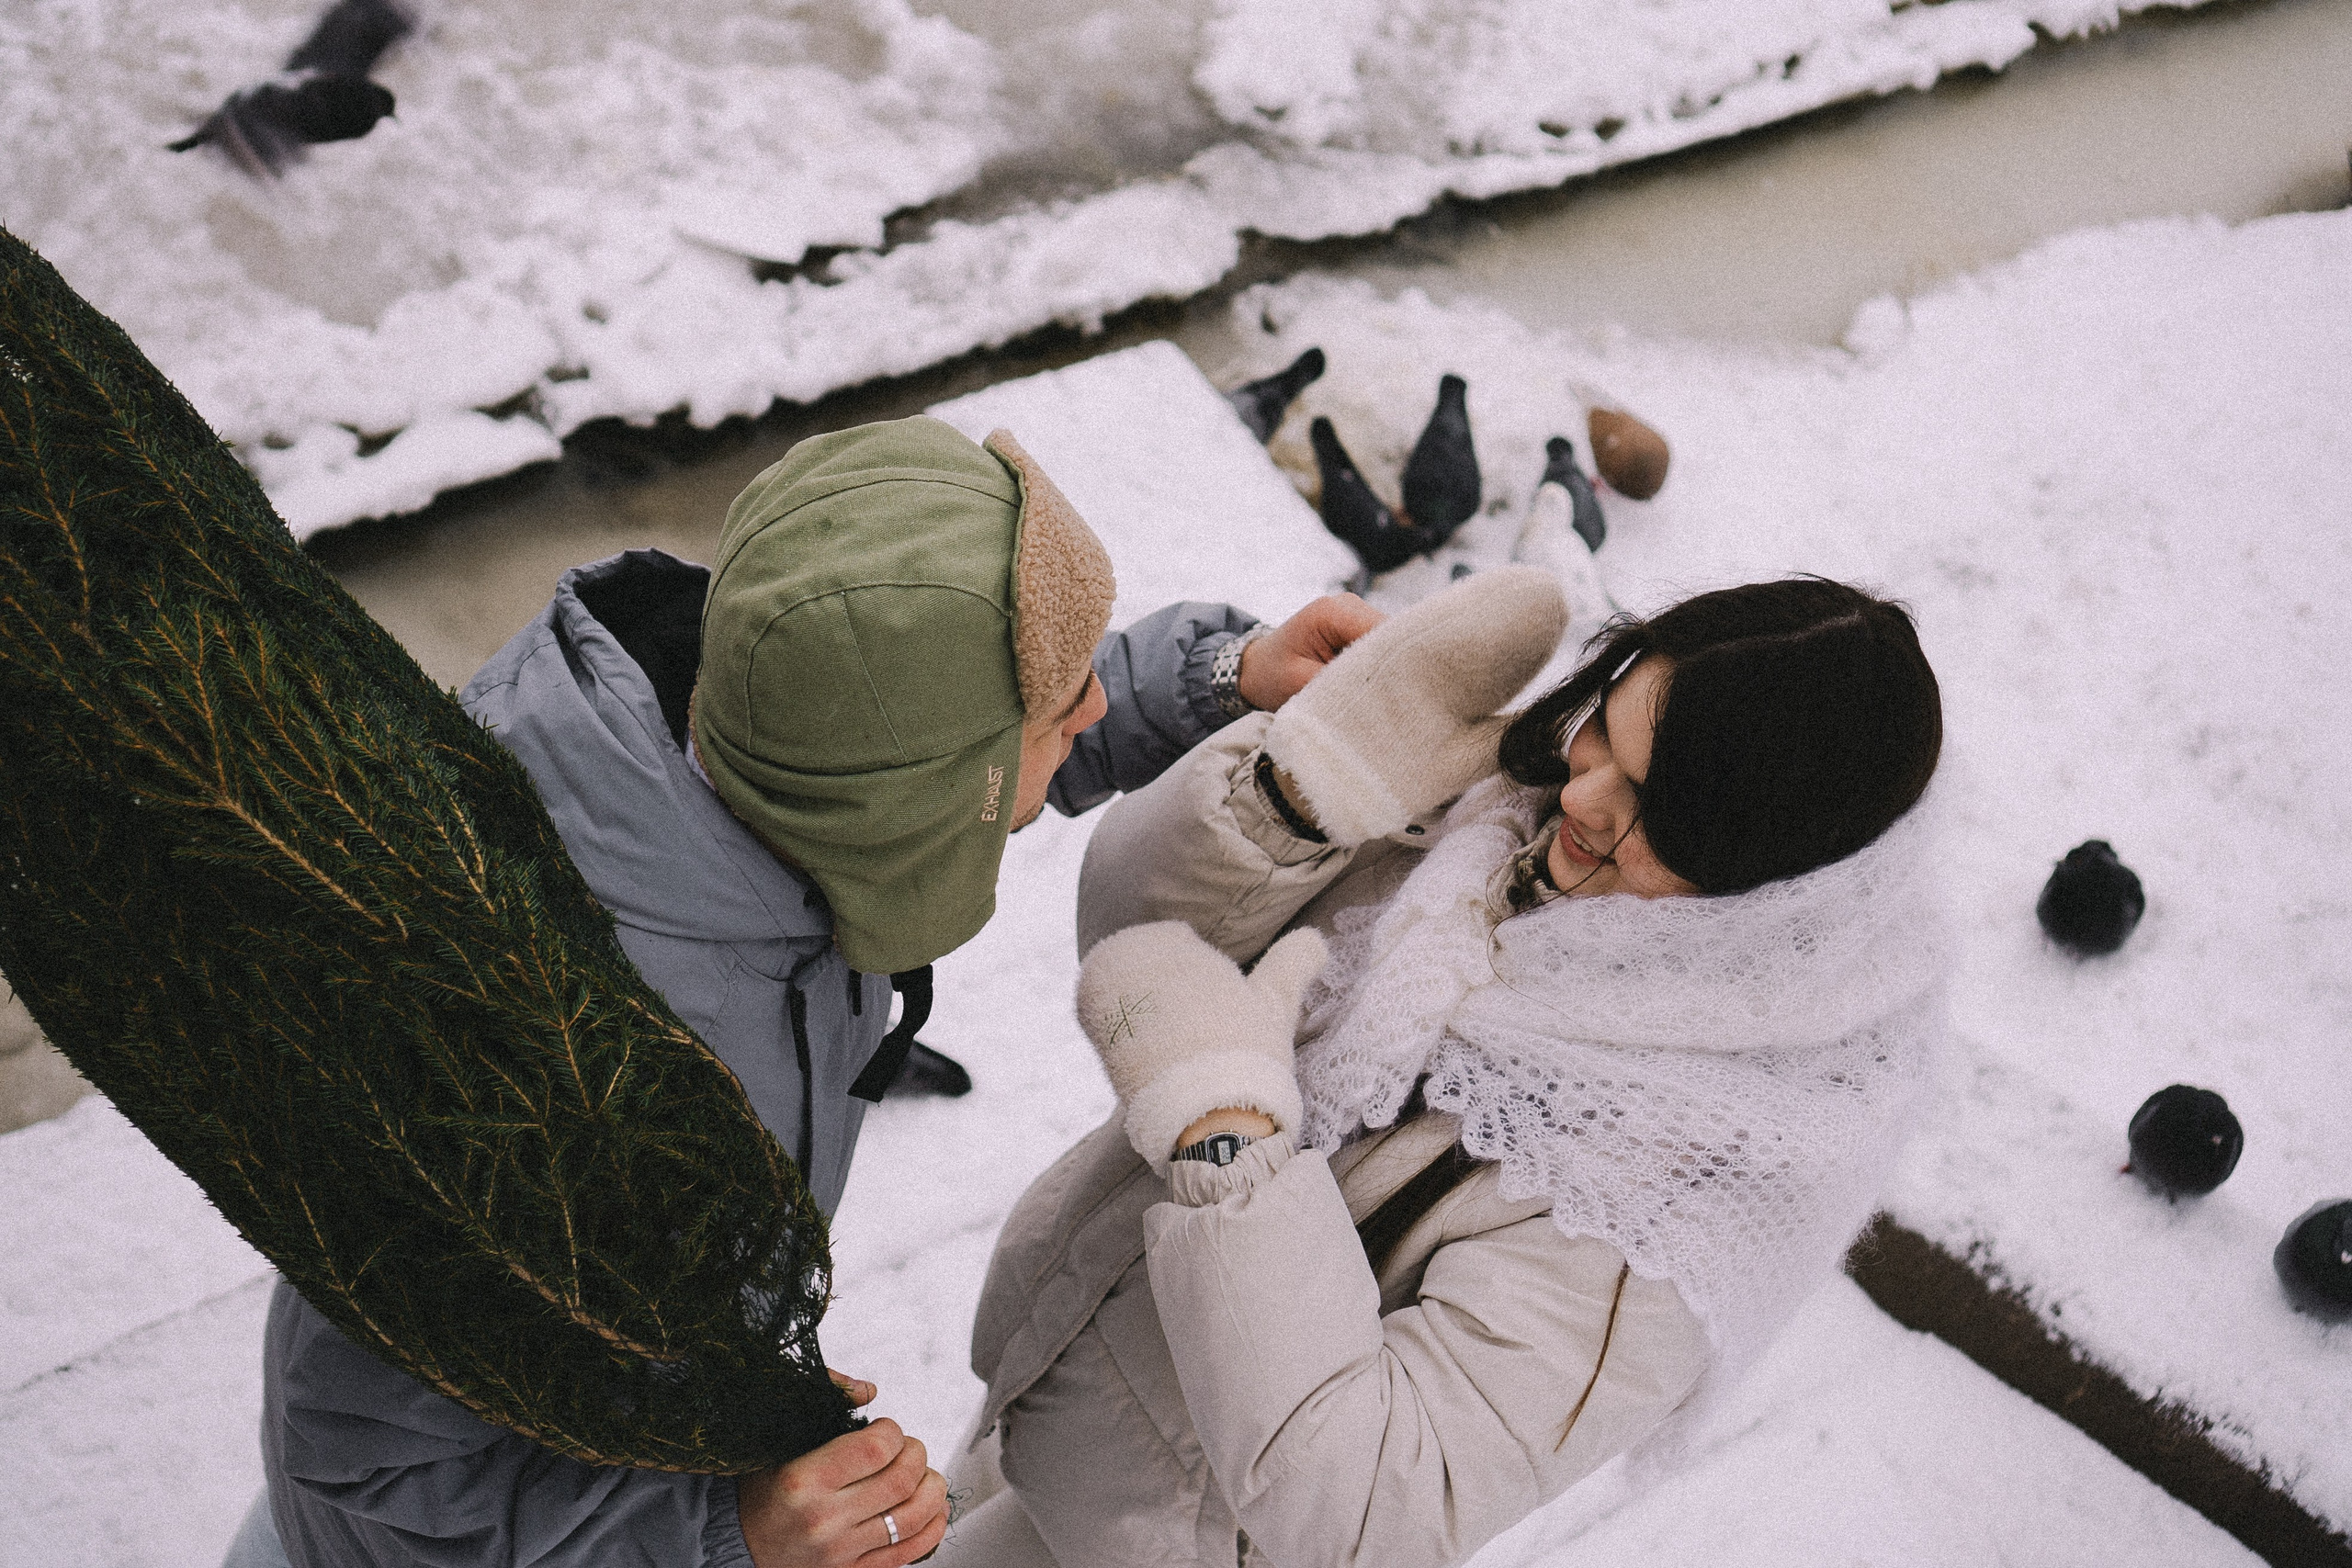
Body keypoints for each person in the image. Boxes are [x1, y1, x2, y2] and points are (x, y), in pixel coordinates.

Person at [232, 415, 1381, 1568]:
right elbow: (369, 1466)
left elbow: (951, 750)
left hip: (628, 1419)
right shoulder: (529, 1066)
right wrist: (725, 1538)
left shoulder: (749, 737)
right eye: (1063, 701)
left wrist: (1219, 677)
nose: (1088, 713)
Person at [951, 567, 1949, 1568]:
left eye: (1657, 803)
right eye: (1605, 725)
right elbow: (1138, 944)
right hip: (1061, 1380)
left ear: (1763, 876)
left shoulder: (1683, 1183)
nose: (1583, 791)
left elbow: (1376, 1504)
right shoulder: (1496, 820)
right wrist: (1299, 787)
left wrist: (1233, 1145)